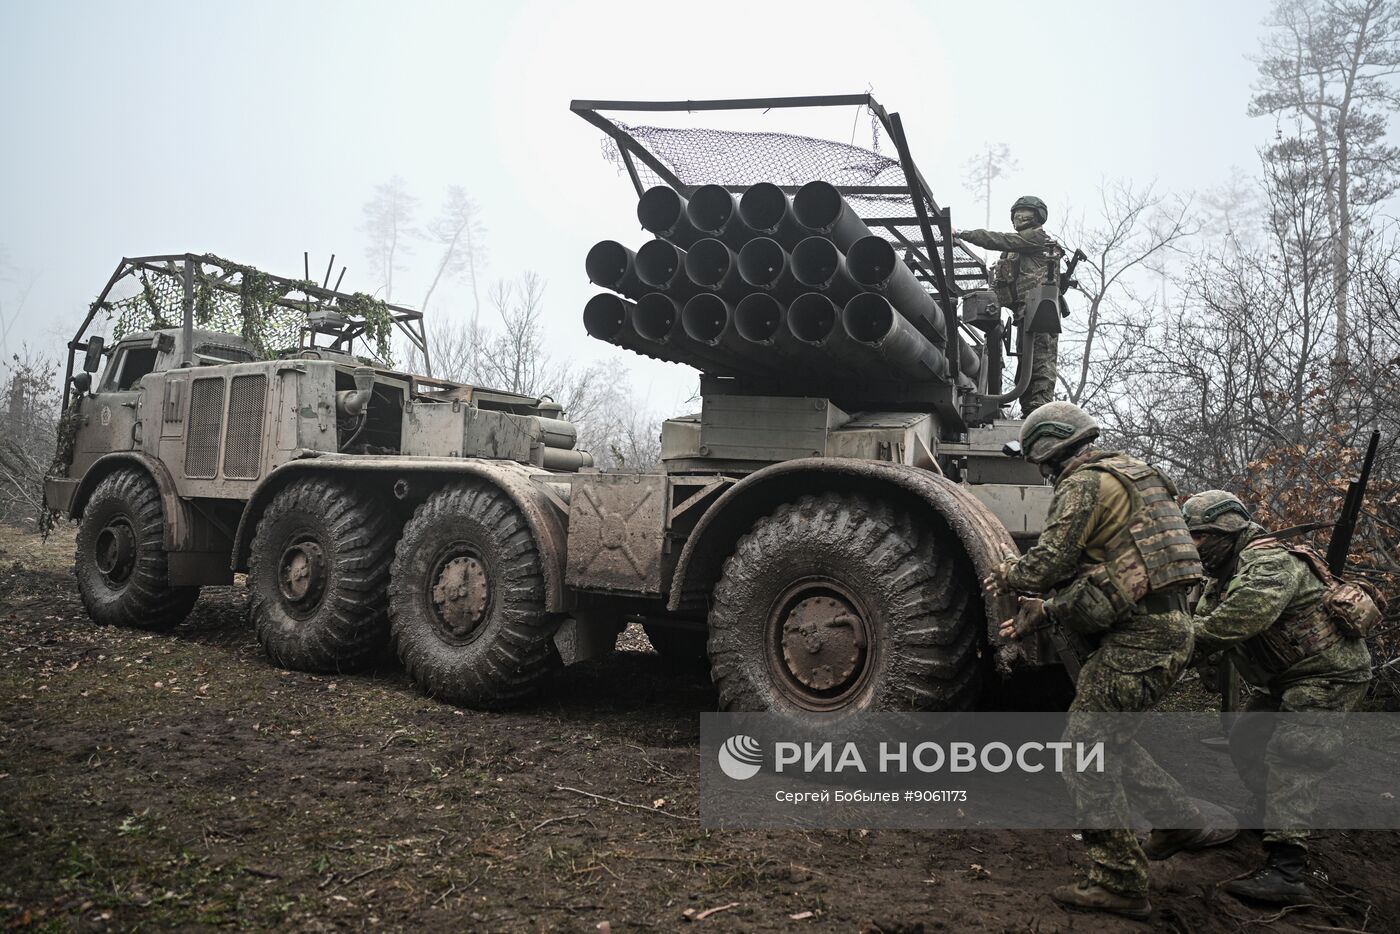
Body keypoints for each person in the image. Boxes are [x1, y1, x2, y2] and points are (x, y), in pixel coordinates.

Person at [988, 402, 1233, 919]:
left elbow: (1048, 563)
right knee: (1108, 738)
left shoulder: (1083, 483)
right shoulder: (1138, 475)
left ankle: (1118, 880)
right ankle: (1178, 820)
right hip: (1169, 628)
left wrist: (1009, 573)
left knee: (1082, 750)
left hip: (1140, 635)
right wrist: (1052, 608)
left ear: (1046, 454)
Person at [1183, 491, 1373, 905]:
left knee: (1293, 756)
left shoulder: (1270, 563)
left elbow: (1239, 619)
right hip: (1287, 678)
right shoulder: (1225, 569)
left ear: (1227, 530)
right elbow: (1205, 623)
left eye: (1200, 535)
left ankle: (1286, 869)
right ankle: (1266, 814)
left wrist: (1174, 648)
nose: (1194, 545)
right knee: (1247, 739)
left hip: (1328, 674)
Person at [955, 195, 1063, 416]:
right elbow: (1001, 284)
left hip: (1040, 312)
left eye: (1026, 212)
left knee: (1040, 365)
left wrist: (962, 234)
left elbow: (1000, 239)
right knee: (1025, 365)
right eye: (1017, 212)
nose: (1019, 216)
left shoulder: (1036, 239)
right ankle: (1029, 411)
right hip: (1023, 314)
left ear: (1038, 217)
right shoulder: (1014, 251)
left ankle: (1039, 412)